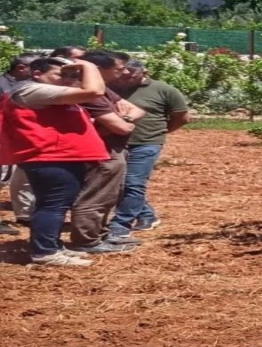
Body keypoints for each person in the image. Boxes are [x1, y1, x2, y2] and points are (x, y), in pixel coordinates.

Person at [0, 57, 109, 266]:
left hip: (60, 156)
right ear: (37, 74)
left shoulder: (50, 95)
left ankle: (52, 245)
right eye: (60, 74)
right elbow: (95, 91)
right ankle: (45, 252)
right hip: (48, 156)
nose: (67, 80)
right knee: (53, 205)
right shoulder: (31, 90)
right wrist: (90, 66)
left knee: (56, 204)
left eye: (71, 75)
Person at [68, 51, 148, 253]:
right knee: (96, 196)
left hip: (112, 149)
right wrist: (124, 120)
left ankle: (100, 234)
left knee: (109, 196)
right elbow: (124, 128)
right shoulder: (88, 94)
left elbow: (138, 110)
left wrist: (123, 118)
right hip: (101, 152)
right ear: (98, 69)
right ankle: (86, 240)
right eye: (119, 69)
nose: (125, 72)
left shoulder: (103, 91)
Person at [106, 60, 190, 237]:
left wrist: (161, 132)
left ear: (145, 72)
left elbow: (181, 117)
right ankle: (147, 215)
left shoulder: (164, 90)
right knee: (119, 184)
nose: (126, 78)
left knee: (133, 183)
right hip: (115, 141)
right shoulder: (111, 87)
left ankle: (121, 223)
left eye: (132, 75)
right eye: (124, 74)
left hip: (146, 142)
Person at [0, 53, 39, 235]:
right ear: (21, 68)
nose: (38, 72)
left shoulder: (17, 85)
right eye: (34, 68)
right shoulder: (3, 84)